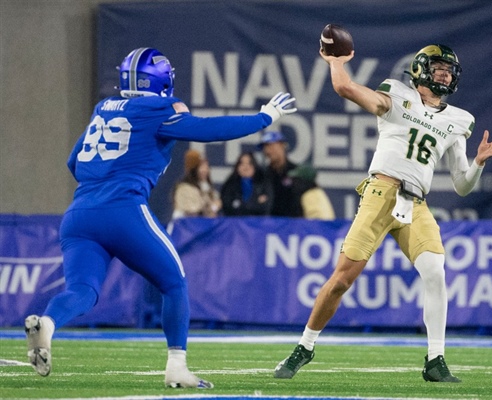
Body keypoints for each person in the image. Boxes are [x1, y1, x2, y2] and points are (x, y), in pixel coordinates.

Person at [23, 47, 296, 389]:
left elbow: (74, 163)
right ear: (161, 81)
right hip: (122, 209)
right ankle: (177, 367)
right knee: (173, 282)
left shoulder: (104, 108)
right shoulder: (159, 109)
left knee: (83, 289)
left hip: (78, 214)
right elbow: (209, 130)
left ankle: (47, 324)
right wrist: (264, 117)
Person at [274, 44, 492, 382]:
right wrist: (336, 64)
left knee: (435, 272)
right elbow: (345, 88)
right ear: (420, 69)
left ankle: (436, 360)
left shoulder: (459, 120)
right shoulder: (396, 95)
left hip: (416, 203)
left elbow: (462, 185)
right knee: (341, 280)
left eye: (449, 69)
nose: (445, 73)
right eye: (439, 66)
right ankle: (305, 346)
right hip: (381, 193)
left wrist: (478, 164)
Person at [257, 131, 302, 217]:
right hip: (272, 224)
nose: (268, 151)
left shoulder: (297, 171)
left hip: (295, 224)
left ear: (282, 145)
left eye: (271, 146)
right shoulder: (263, 174)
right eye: (265, 147)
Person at [170, 149, 222, 220]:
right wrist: (209, 207)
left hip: (203, 226)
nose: (205, 170)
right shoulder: (183, 188)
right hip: (185, 226)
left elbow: (216, 204)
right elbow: (193, 210)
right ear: (193, 169)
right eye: (201, 166)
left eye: (206, 166)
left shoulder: (206, 187)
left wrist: (213, 207)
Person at [220, 152, 273, 216]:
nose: (246, 167)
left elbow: (266, 206)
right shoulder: (230, 185)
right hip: (235, 223)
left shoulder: (263, 183)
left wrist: (242, 206)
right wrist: (256, 203)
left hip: (259, 223)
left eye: (249, 163)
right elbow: (227, 206)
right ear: (237, 167)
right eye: (242, 163)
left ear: (254, 166)